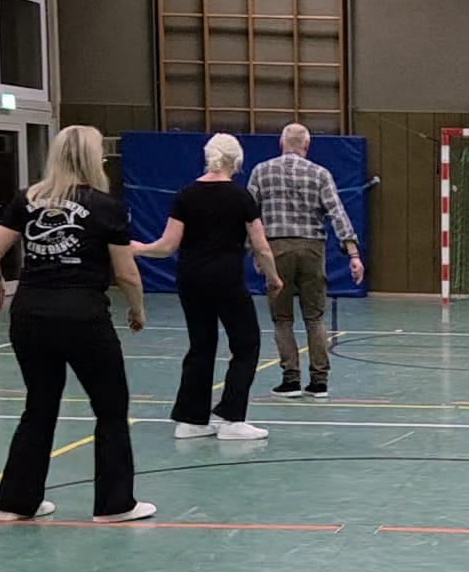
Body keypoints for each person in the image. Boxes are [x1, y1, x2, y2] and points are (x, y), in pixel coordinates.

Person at [0, 125, 155, 524]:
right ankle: (114, 504)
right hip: (82, 316)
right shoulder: (106, 206)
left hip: (30, 315)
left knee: (39, 406)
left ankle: (15, 503)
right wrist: (137, 309)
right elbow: (126, 273)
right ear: (94, 159)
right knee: (110, 408)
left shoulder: (27, 199)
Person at [133, 133, 284, 441]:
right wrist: (273, 278)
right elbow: (261, 246)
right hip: (227, 281)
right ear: (236, 161)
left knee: (201, 345)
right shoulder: (242, 197)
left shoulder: (186, 195)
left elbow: (167, 245)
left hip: (191, 280)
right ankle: (232, 418)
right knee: (246, 343)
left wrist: (139, 248)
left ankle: (190, 420)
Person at [247, 124, 365, 398]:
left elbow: (250, 217)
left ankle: (290, 379)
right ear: (307, 146)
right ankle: (319, 381)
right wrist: (353, 254)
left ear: (281, 143)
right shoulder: (320, 174)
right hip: (312, 248)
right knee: (315, 317)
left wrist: (254, 251)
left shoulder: (261, 172)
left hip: (275, 249)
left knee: (282, 318)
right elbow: (337, 213)